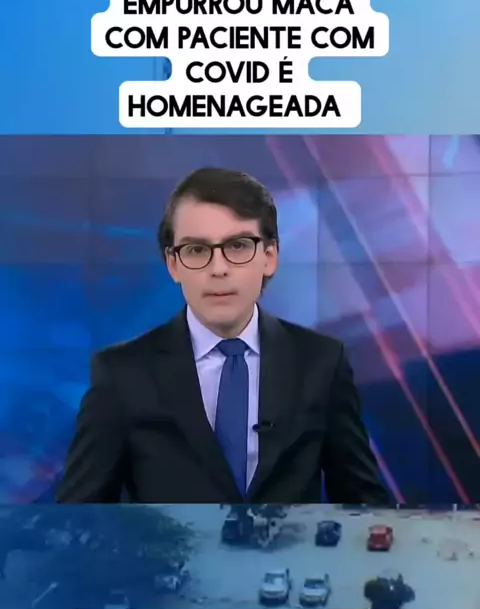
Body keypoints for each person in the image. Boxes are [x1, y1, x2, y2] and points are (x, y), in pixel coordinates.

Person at [56, 167, 390, 505]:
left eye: (238, 246)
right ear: (173, 264)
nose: (218, 268)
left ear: (269, 257)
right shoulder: (122, 374)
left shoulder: (322, 362)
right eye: (197, 250)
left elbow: (365, 506)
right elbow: (77, 516)